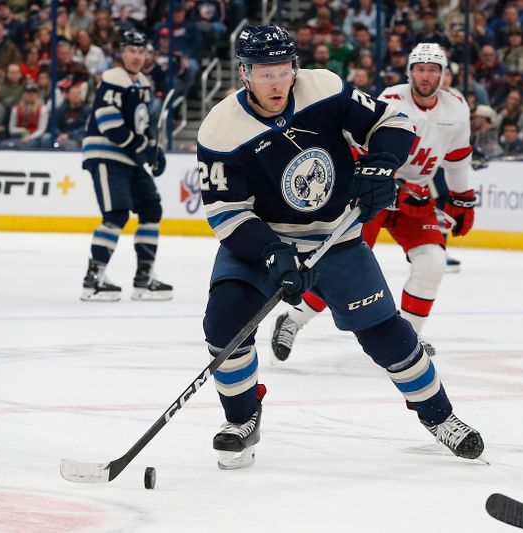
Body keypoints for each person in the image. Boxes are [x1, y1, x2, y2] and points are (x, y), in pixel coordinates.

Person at [196, 26, 484, 470]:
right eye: (263, 73)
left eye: (283, 70)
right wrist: (273, 253)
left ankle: (440, 416)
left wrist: (380, 165)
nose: (276, 83)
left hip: (337, 235)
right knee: (224, 323)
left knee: (386, 335)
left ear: (294, 67)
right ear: (244, 73)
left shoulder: (324, 87)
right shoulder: (220, 129)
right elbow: (228, 213)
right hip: (261, 241)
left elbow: (392, 122)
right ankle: (242, 418)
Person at [271, 42, 476, 360]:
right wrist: (383, 180)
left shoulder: (458, 108)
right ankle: (292, 320)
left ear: (444, 74)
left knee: (433, 264)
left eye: (433, 70)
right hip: (372, 195)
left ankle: (406, 339)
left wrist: (463, 198)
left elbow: (458, 159)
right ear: (409, 72)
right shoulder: (392, 99)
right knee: (340, 270)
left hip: (415, 199)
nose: (426, 76)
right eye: (420, 69)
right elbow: (362, 146)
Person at [79, 30, 172, 302]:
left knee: (151, 208)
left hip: (128, 157)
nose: (137, 56)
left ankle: (144, 277)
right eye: (132, 50)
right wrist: (142, 147)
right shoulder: (112, 79)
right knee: (116, 214)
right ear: (121, 53)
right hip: (106, 153)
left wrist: (153, 149)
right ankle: (93, 280)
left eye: (141, 51)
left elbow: (140, 124)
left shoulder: (141, 84)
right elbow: (109, 123)